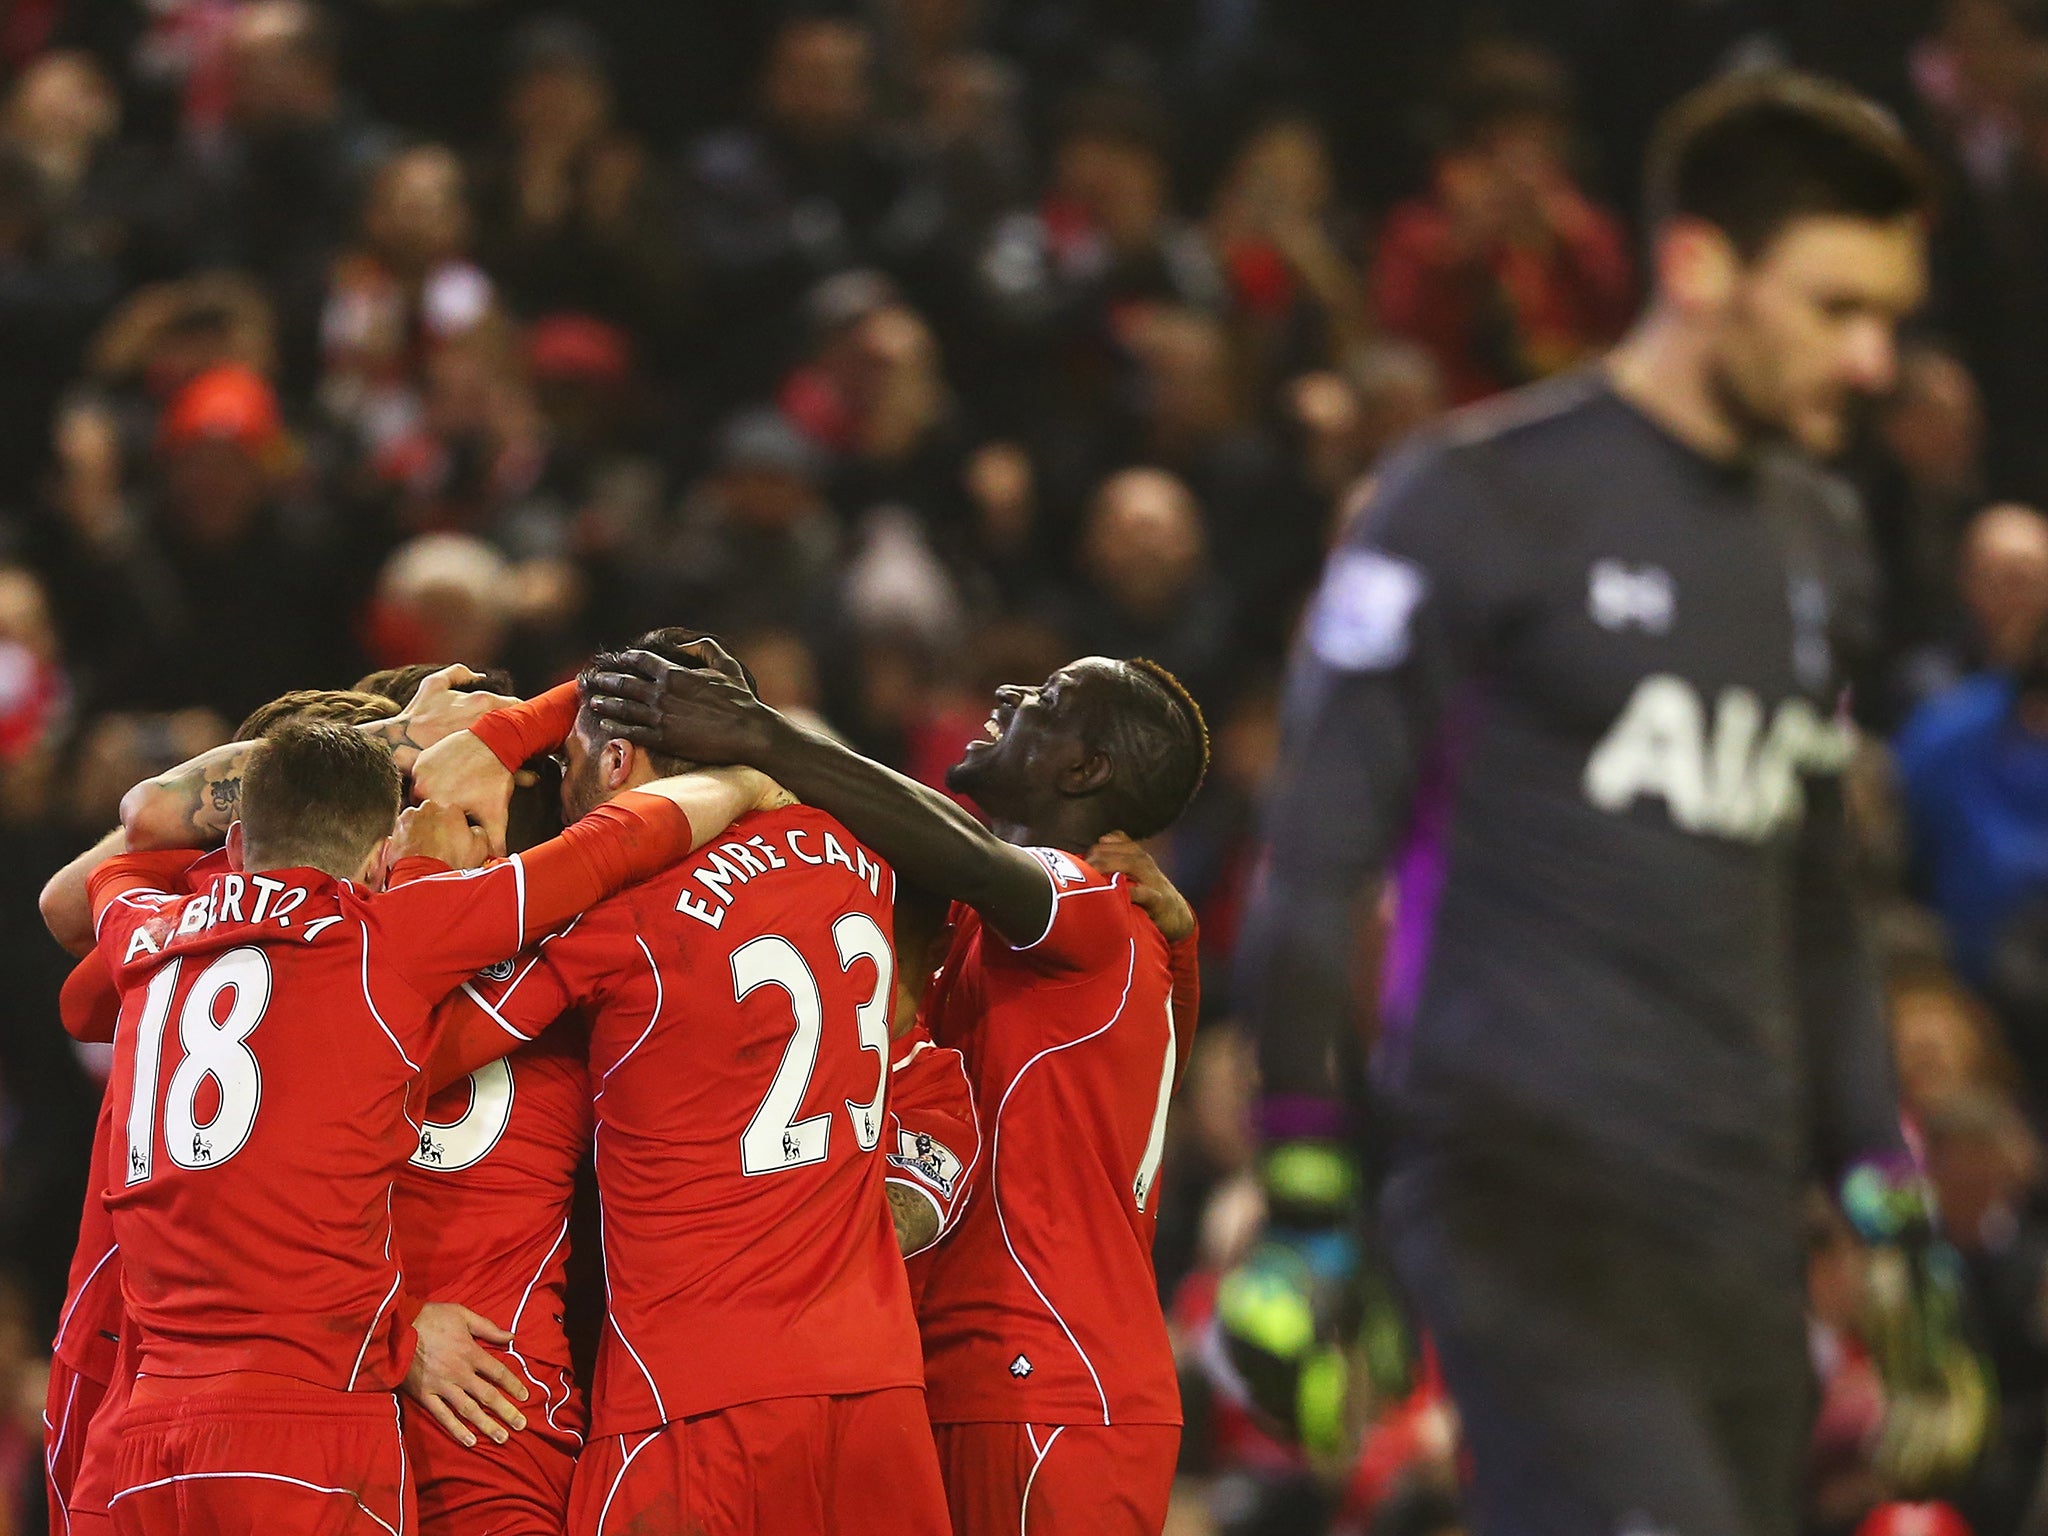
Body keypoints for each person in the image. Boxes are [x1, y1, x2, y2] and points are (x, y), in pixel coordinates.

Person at [1239, 71, 1939, 1536]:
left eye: (1892, 314)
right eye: (1834, 307)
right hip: (1525, 1203)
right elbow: (1311, 865)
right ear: (1697, 268)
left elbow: (1818, 906)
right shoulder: (1474, 501)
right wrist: (1306, 1188)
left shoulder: (1824, 540)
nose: (1875, 360)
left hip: (1741, 1233)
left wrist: (1886, 1191)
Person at [82, 715, 777, 1536]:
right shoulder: (387, 940)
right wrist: (752, 778)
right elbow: (617, 843)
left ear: (235, 845)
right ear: (382, 852)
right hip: (312, 1421)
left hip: (145, 1434)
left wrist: (398, 735)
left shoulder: (142, 935)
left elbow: (128, 837)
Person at [579, 644, 1208, 1536]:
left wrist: (762, 735)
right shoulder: (1088, 934)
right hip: (989, 1375)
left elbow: (977, 861)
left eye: (1049, 696)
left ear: (1085, 769)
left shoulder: (1093, 901)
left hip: (1041, 1379)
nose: (1009, 688)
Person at [408, 631, 952, 1536]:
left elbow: (409, 1049)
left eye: (572, 761)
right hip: (878, 1386)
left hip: (697, 1395)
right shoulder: (857, 853)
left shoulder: (619, 907)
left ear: (618, 759)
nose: (563, 786)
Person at [37, 685, 404, 1536]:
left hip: (164, 1343)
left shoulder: (182, 912)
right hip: (182, 1340)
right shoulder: (368, 939)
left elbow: (80, 943)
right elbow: (72, 942)